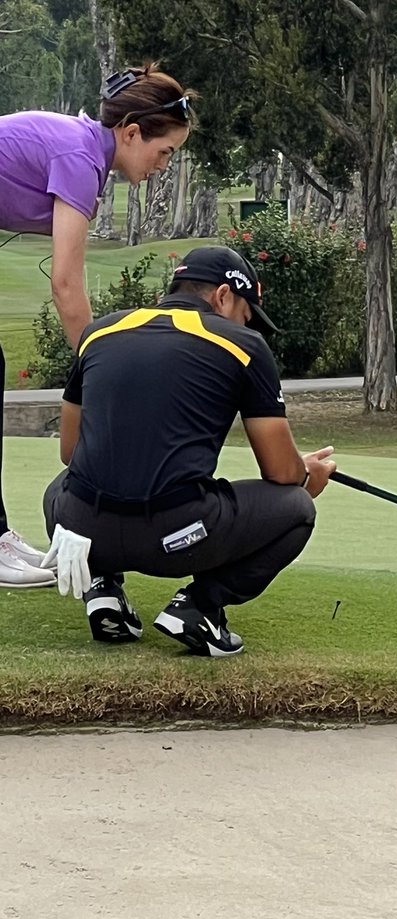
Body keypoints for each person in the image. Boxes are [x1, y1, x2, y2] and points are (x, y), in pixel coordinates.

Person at [42, 247, 336, 657]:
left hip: (82, 531)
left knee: (62, 485)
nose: (247, 323)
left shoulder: (99, 332)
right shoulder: (243, 344)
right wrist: (308, 477)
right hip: (177, 540)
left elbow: (70, 451)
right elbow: (281, 474)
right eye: (246, 312)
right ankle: (200, 607)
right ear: (222, 296)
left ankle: (103, 589)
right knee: (296, 508)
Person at [0, 63, 194, 588]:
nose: (163, 165)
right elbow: (66, 286)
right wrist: (102, 374)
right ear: (131, 133)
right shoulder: (80, 155)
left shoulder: (84, 151)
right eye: (165, 151)